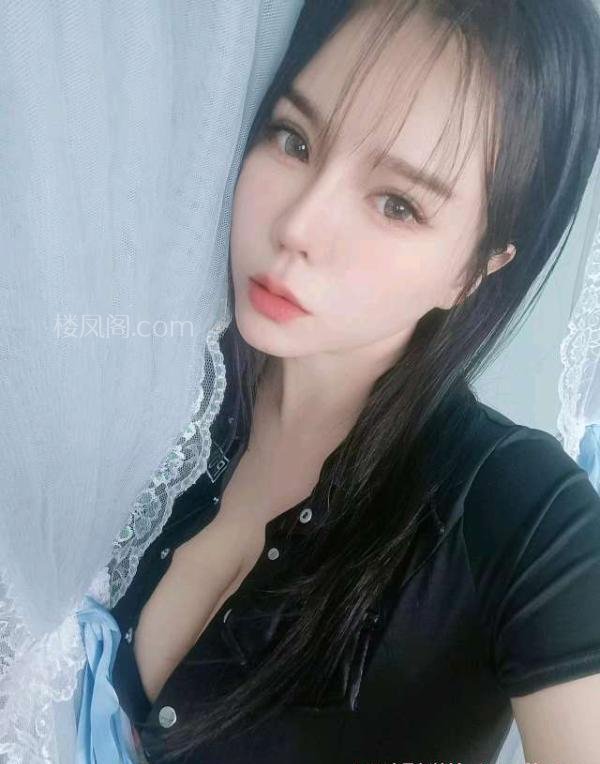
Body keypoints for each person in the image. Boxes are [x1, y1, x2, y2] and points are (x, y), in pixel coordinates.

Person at [109, 0, 600, 762]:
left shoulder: (523, 517)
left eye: (397, 205)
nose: (298, 226)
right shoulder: (161, 399)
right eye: (293, 139)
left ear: (474, 269)